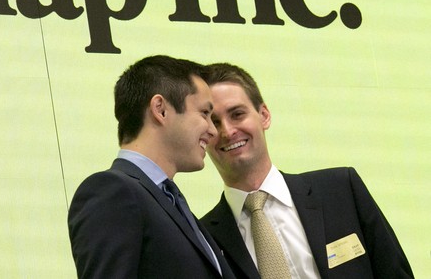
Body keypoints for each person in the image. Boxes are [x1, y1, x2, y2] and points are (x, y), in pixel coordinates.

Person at [200, 62, 414, 279]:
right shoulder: (202, 238)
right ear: (203, 133)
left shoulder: (341, 190)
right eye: (214, 122)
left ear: (264, 115)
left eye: (237, 114)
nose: (227, 131)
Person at [68, 55, 237, 279]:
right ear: (161, 109)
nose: (213, 131)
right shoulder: (113, 192)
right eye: (204, 113)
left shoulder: (169, 201)